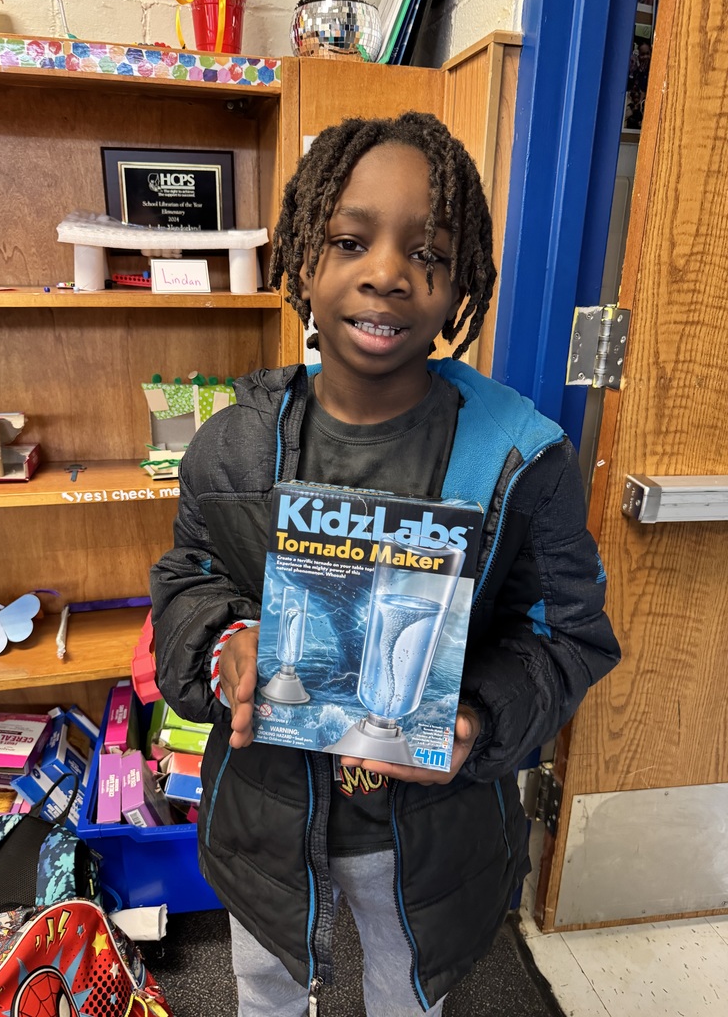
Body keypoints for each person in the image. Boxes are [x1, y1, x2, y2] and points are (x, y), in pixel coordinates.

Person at [150, 111, 620, 1016]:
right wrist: (225, 649)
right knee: (263, 983)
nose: (386, 273)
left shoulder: (521, 461)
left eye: (429, 252)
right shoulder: (234, 448)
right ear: (300, 254)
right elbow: (186, 580)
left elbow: (568, 637)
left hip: (427, 832)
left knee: (408, 991)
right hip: (267, 812)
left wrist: (479, 720)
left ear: (461, 284)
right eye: (349, 239)